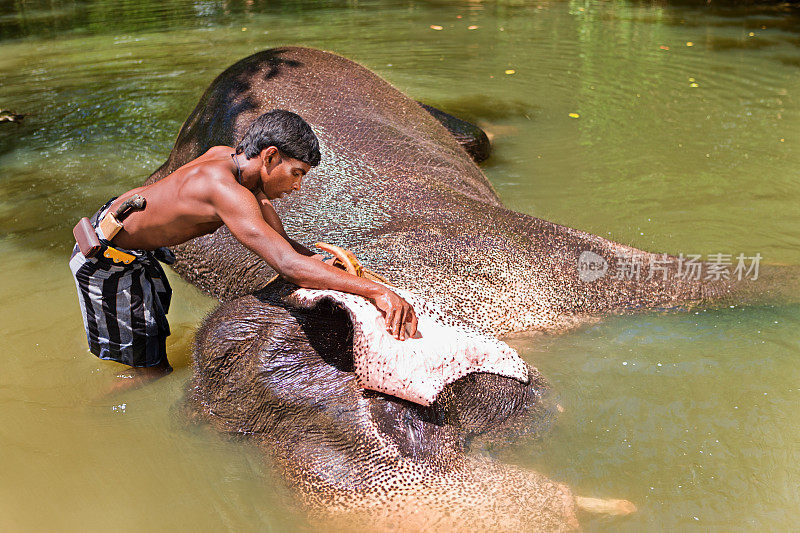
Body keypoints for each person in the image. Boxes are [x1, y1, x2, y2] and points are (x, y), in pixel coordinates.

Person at [69, 109, 417, 388]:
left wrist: (315, 259)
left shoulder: (228, 159)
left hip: (131, 241)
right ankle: (85, 411)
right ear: (270, 156)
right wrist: (377, 292)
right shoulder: (226, 190)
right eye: (296, 173)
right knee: (153, 372)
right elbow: (288, 265)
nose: (297, 186)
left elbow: (276, 235)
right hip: (108, 258)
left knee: (155, 337)